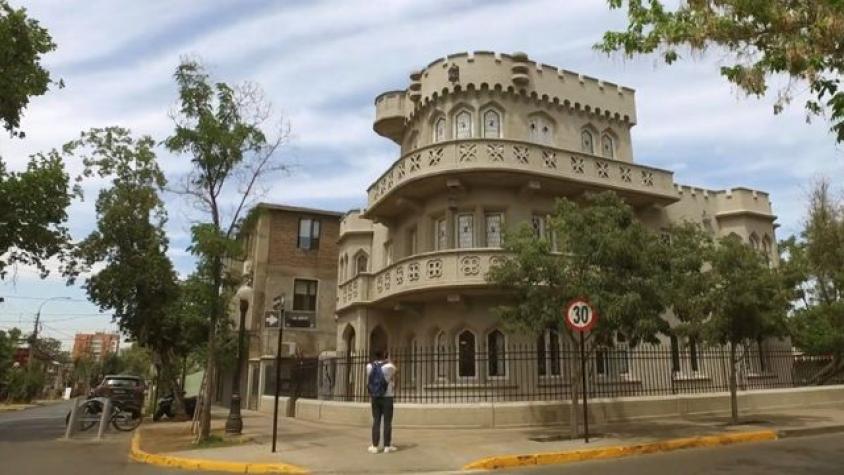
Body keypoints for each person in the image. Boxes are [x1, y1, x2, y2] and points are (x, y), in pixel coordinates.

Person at [366, 349, 397, 453]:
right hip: (387, 397)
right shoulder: (389, 367)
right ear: (385, 355)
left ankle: (375, 446)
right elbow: (394, 369)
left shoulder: (369, 366)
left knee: (376, 420)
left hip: (375, 397)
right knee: (387, 422)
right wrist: (389, 360)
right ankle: (387, 446)